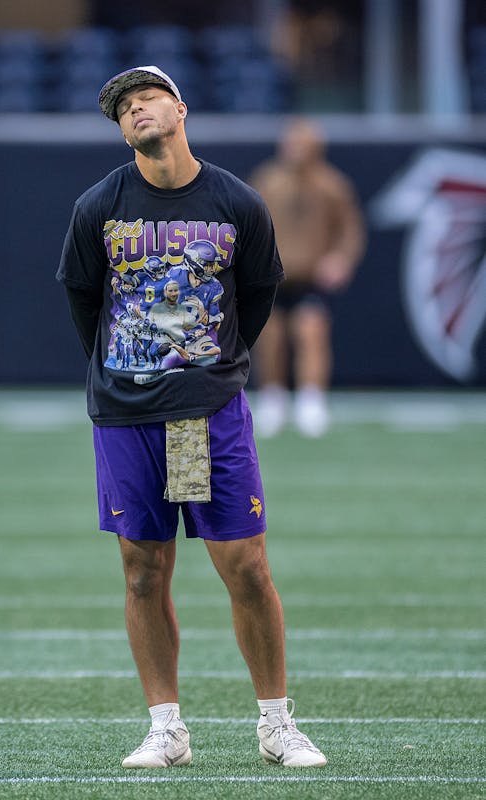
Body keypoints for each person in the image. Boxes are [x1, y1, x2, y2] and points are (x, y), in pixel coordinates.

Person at [56, 65, 327, 769]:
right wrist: (129, 370)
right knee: (143, 569)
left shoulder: (237, 201)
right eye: (123, 107)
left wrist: (210, 369)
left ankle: (276, 723)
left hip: (198, 416)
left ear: (180, 109)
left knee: (243, 564)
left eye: (147, 98)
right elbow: (84, 299)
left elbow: (261, 291)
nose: (136, 110)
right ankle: (166, 728)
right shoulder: (99, 205)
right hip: (126, 414)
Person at [248, 118, 366, 437]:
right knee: (269, 338)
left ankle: (311, 401)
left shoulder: (332, 184)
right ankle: (273, 399)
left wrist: (340, 259)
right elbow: (248, 225)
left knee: (311, 331)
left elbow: (350, 230)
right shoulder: (268, 181)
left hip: (310, 276)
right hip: (272, 276)